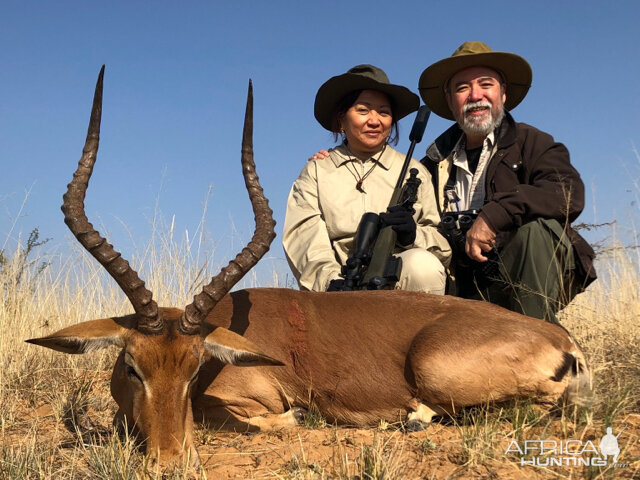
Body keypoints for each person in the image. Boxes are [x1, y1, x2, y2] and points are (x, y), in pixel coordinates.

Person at [417, 41, 597, 323]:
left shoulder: (532, 141)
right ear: (450, 100)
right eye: (462, 88)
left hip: (523, 274)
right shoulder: (430, 164)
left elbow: (568, 193)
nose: (476, 95)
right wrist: (340, 155)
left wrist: (493, 216)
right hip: (464, 287)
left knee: (536, 231)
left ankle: (536, 341)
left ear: (503, 93)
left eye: (485, 84)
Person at [283, 65, 451, 293]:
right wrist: (331, 281)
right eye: (363, 110)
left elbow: (441, 245)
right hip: (337, 287)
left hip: (397, 285)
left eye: (383, 112)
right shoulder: (316, 171)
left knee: (423, 266)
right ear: (341, 120)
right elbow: (304, 236)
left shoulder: (414, 170)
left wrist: (413, 235)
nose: (374, 121)